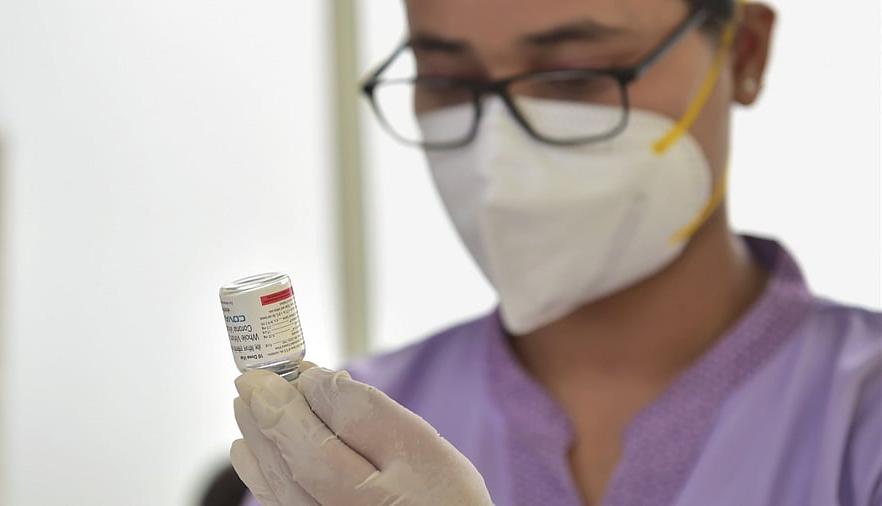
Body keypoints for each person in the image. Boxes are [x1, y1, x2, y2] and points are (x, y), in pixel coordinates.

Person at [227, 0, 882, 504]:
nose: (498, 159)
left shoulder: (862, 419)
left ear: (743, 52)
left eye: (574, 76)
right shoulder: (335, 439)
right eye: (450, 82)